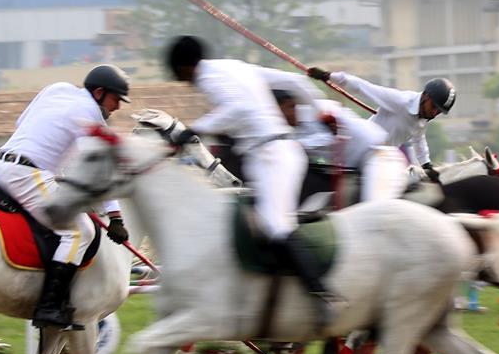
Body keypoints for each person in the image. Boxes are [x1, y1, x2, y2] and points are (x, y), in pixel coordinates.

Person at [163, 35, 334, 332]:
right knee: (250, 221)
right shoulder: (233, 66)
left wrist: (194, 130)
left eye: (180, 75)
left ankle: (322, 296)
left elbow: (238, 110)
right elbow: (296, 82)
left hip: (272, 155)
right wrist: (320, 111)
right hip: (271, 154)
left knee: (275, 225)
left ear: (184, 68)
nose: (184, 82)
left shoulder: (208, 80)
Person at [0, 65, 131, 331]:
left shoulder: (58, 88)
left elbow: (21, 123)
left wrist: (57, 168)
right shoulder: (91, 115)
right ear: (99, 93)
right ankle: (50, 307)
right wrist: (115, 216)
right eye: (116, 99)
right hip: (27, 174)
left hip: (2, 166)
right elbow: (98, 172)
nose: (118, 107)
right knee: (80, 231)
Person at [260, 69, 408, 201]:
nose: (276, 119)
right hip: (352, 169)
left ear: (288, 104)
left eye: (276, 113)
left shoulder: (322, 109)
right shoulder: (295, 131)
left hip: (380, 156)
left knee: (377, 208)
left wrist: (295, 146)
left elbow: (333, 137)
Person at [306, 67, 455, 183]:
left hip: (383, 161)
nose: (435, 113)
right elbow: (363, 87)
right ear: (425, 97)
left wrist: (427, 165)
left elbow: (419, 139)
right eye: (434, 107)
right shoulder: (401, 101)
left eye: (439, 111)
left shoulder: (422, 119)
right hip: (361, 152)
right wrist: (329, 76)